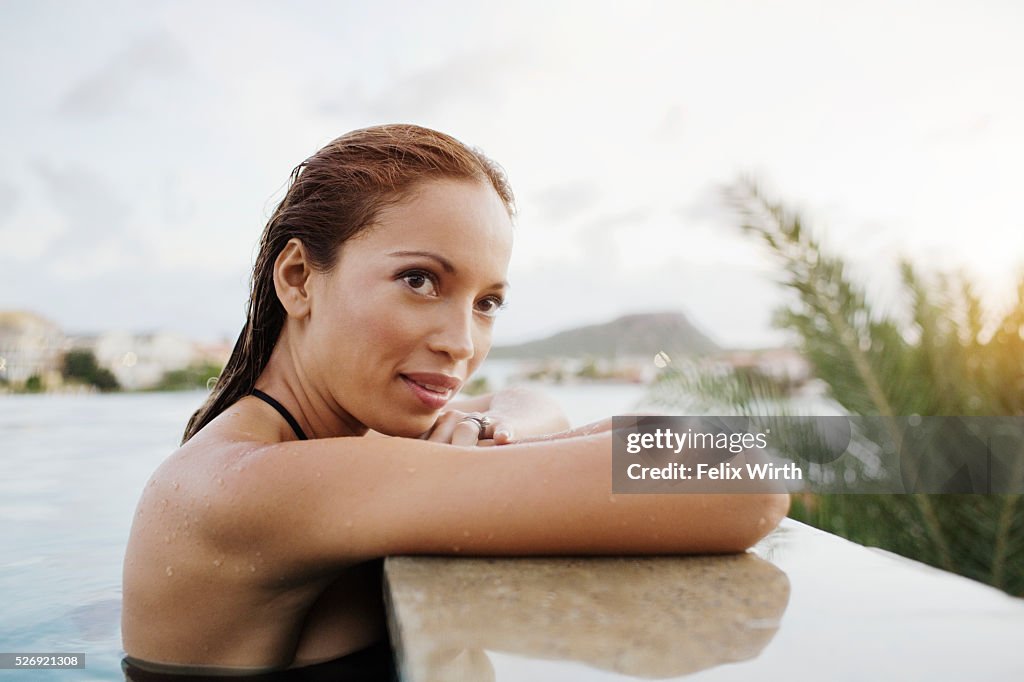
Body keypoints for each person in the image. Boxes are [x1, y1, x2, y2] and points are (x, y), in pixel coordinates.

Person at [121, 124, 789, 677]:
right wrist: (483, 448)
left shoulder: (328, 438)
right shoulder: (248, 485)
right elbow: (739, 474)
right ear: (299, 278)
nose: (461, 342)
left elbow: (532, 400)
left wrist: (484, 426)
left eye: (487, 302)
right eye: (419, 280)